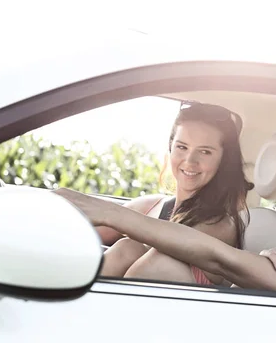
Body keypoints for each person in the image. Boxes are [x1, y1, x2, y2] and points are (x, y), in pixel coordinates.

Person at [60, 138, 276, 298]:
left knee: (161, 265)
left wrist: (109, 212)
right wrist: (266, 265)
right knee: (136, 253)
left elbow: (219, 258)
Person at [55, 100, 253, 286]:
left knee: (158, 263)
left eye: (205, 152)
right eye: (182, 147)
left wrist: (110, 213)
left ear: (223, 160)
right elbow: (85, 236)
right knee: (127, 248)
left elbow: (183, 239)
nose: (189, 161)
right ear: (170, 148)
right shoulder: (151, 206)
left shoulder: (221, 224)